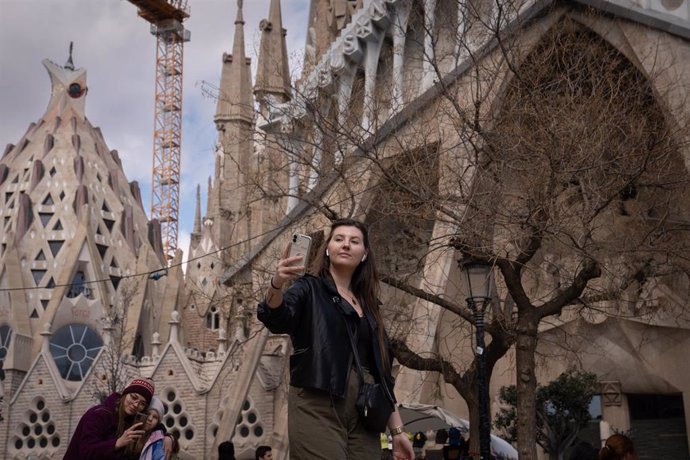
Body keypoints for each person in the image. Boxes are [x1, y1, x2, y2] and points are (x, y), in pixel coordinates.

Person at [258, 219, 415, 460]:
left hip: (364, 410)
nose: (346, 245)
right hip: (318, 402)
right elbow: (275, 317)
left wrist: (398, 431)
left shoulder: (371, 307)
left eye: (354, 241)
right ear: (328, 249)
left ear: (364, 254)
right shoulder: (309, 288)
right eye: (339, 239)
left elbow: (382, 374)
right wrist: (277, 283)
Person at [63, 377, 154, 459]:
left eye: (142, 404)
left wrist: (167, 437)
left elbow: (154, 422)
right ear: (125, 395)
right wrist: (117, 443)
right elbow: (86, 451)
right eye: (133, 397)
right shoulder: (99, 414)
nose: (135, 405)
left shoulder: (130, 422)